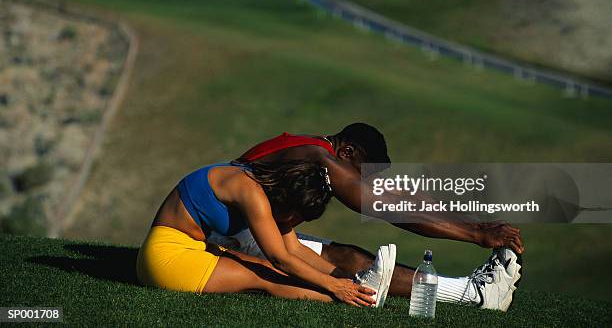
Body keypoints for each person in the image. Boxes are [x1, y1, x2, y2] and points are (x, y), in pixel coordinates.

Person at [206, 123, 524, 311]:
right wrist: (476, 236)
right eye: (363, 173)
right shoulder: (322, 157)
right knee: (355, 262)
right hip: (234, 232)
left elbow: (400, 195)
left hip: (244, 226)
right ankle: (476, 294)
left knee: (352, 258)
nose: (364, 181)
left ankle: (476, 292)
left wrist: (477, 224)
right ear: (347, 154)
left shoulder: (316, 149)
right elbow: (387, 208)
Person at [136, 159, 385, 307]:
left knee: (260, 265)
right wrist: (336, 288)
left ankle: (357, 291)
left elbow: (295, 248)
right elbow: (280, 259)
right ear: (290, 199)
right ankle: (354, 302)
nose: (296, 222)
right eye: (299, 215)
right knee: (266, 275)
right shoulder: (250, 193)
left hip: (186, 249)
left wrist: (346, 278)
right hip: (167, 260)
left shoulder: (265, 186)